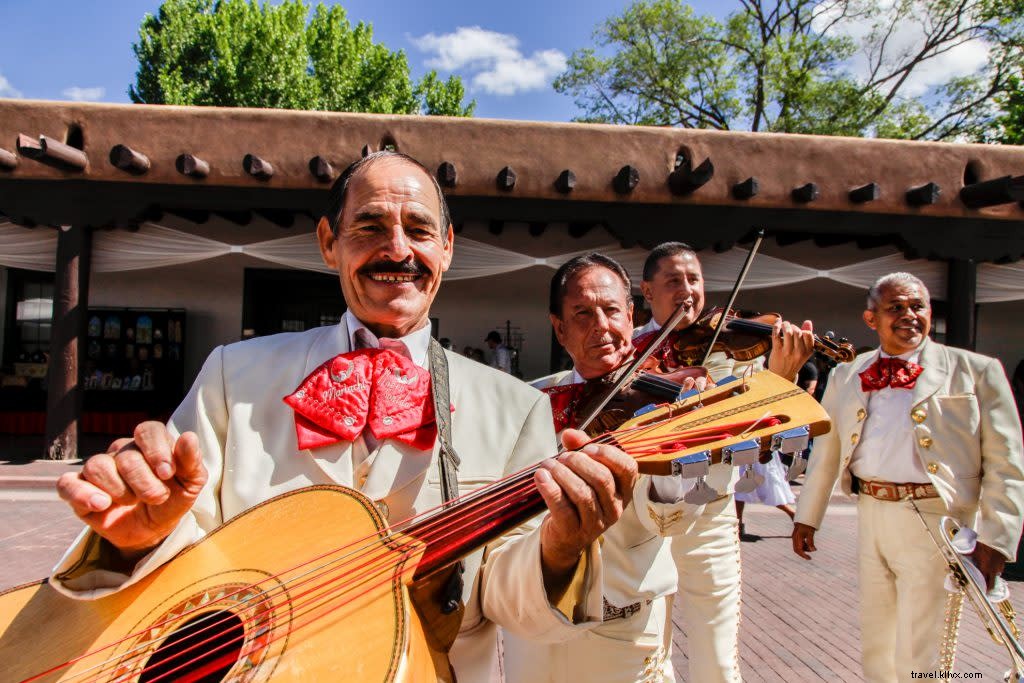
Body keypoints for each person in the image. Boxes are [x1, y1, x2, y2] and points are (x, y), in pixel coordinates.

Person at [50, 151, 639, 681]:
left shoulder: (517, 409)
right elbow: (179, 536)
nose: (398, 251)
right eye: (371, 227)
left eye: (419, 230)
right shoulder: (234, 375)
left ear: (448, 248)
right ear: (329, 241)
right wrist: (143, 537)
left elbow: (512, 603)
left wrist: (562, 546)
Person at [792, 272, 1024, 681]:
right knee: (877, 637)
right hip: (872, 512)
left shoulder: (976, 370)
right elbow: (826, 447)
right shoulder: (850, 372)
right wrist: (807, 516)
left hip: (938, 519)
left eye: (917, 306)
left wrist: (997, 538)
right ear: (871, 319)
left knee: (923, 642)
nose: (909, 315)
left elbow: (1007, 461)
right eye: (895, 307)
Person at [634, 241, 814, 683]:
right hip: (644, 521)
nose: (687, 290)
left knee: (717, 654)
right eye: (673, 281)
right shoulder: (630, 352)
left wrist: (783, 375)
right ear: (647, 291)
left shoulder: (735, 354)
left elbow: (765, 431)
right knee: (647, 655)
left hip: (710, 515)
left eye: (694, 279)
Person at [505, 253, 689, 682]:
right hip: (537, 623)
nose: (601, 326)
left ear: (630, 316)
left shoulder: (667, 402)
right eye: (582, 314)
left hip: (624, 623)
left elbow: (673, 519)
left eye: (611, 311)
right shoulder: (533, 401)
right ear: (559, 328)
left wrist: (677, 446)